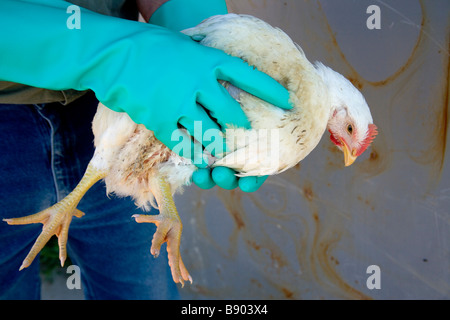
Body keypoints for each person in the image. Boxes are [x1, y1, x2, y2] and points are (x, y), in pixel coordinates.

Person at [0, 0, 291, 299]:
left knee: (145, 290)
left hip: (117, 91)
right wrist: (114, 52)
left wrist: (196, 35)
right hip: (17, 107)